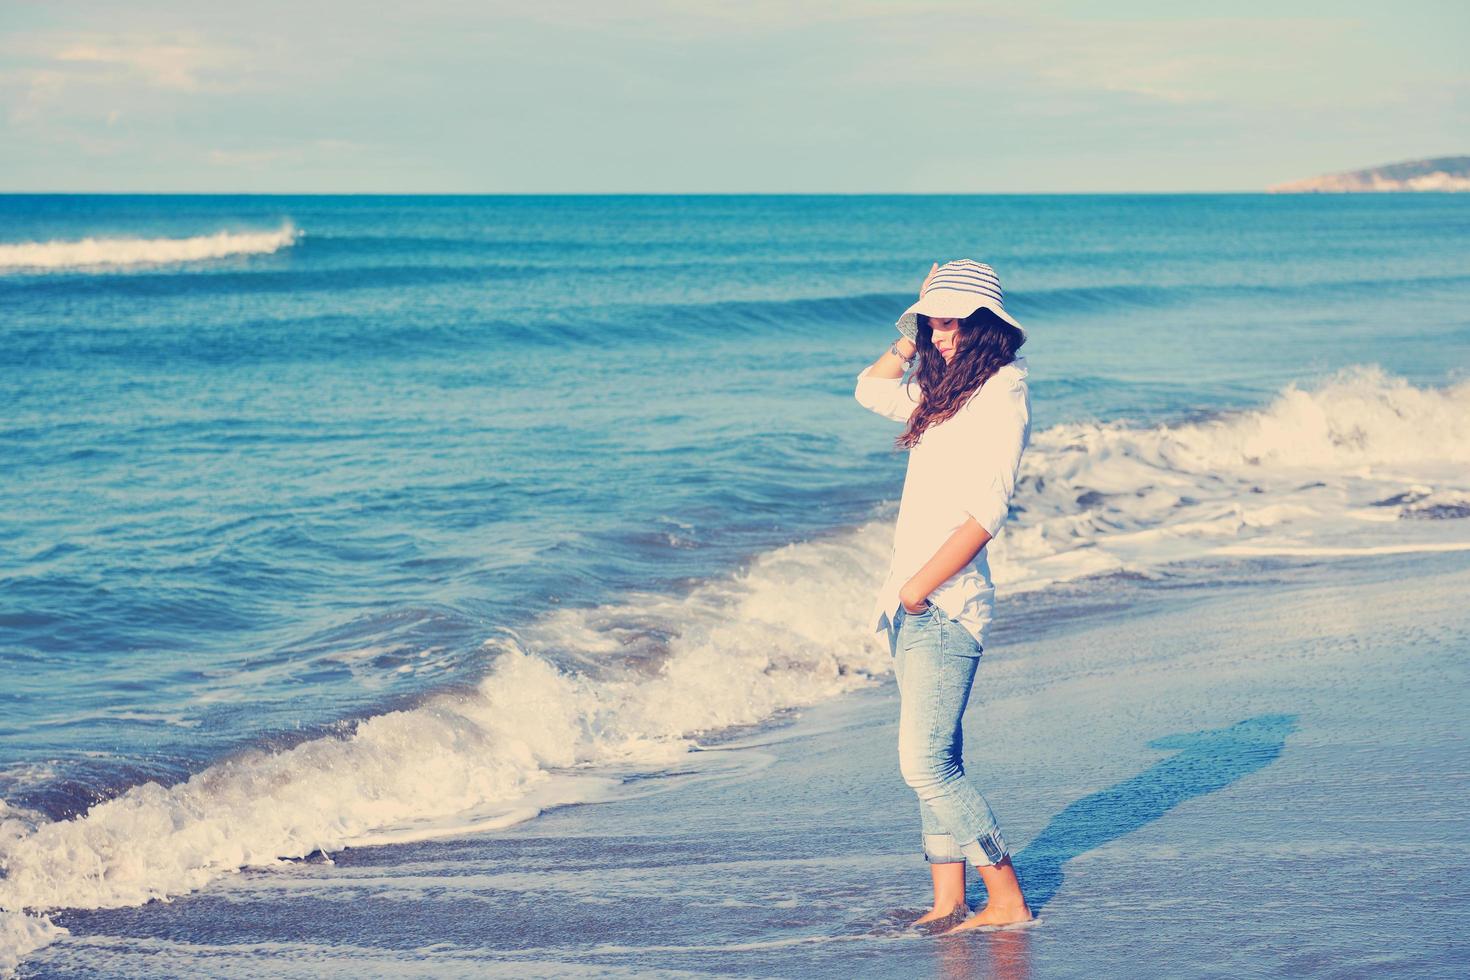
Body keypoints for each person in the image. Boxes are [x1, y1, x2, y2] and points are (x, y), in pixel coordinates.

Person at [853, 259, 1035, 934]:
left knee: (924, 763)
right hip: (913, 604)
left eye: (954, 320)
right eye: (935, 320)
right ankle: (948, 900)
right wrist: (910, 330)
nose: (942, 333)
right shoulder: (946, 393)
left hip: (945, 603)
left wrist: (920, 589)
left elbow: (988, 513)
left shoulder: (1003, 390)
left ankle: (1008, 899)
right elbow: (869, 389)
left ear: (987, 325)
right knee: (939, 756)